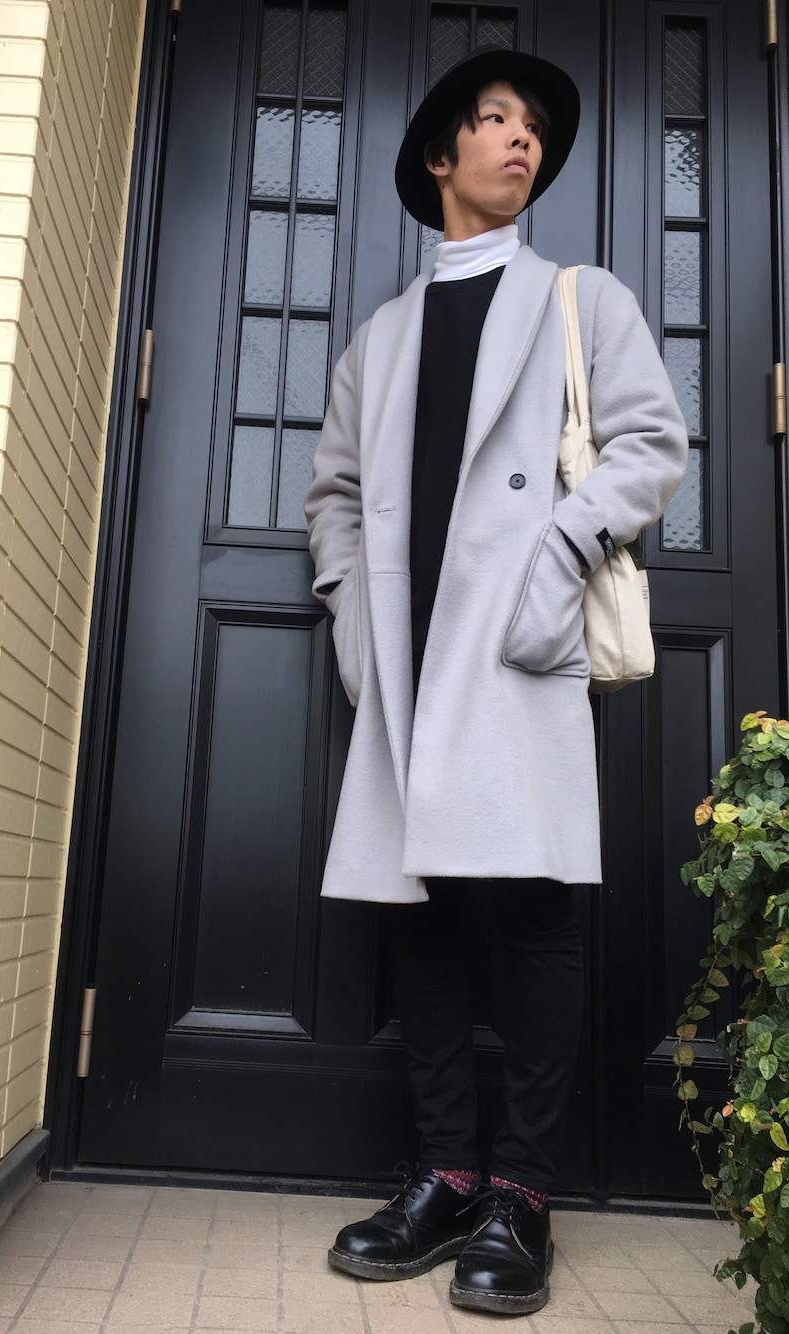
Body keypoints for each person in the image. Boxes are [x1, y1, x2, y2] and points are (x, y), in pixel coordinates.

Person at [304, 47, 688, 1317]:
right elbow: (334, 497)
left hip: (515, 644)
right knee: (418, 909)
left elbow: (650, 442)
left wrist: (558, 554)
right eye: (492, 119)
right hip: (409, 657)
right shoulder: (379, 340)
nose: (520, 140)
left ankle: (520, 1191)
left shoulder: (581, 300)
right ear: (440, 155)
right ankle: (446, 1172)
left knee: (532, 907)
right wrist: (356, 621)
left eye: (532, 128)